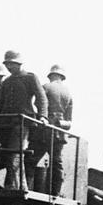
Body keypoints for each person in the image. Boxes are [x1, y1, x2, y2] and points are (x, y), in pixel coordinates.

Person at [0, 51, 48, 192]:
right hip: (6, 124)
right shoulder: (7, 82)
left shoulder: (30, 78)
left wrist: (43, 116)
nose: (9, 67)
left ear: (19, 64)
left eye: (12, 64)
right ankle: (20, 185)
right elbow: (2, 104)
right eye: (7, 64)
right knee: (10, 154)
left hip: (22, 123)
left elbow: (41, 98)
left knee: (15, 154)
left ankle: (14, 187)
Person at [27, 64, 72, 196]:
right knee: (57, 163)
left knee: (30, 160)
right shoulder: (68, 93)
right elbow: (69, 119)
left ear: (51, 75)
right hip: (59, 132)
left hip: (43, 130)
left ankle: (26, 188)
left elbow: (38, 104)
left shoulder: (46, 87)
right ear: (62, 77)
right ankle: (55, 193)